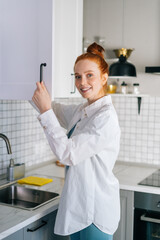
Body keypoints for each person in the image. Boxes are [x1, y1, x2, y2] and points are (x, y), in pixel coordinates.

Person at [32, 42, 121, 240]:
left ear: (104, 78)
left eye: (90, 75)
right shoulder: (83, 110)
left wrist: (46, 110)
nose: (82, 82)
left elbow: (68, 154)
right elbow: (51, 108)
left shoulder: (105, 117)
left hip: (96, 210)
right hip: (78, 207)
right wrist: (28, 82)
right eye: (78, 76)